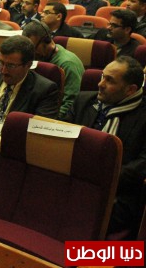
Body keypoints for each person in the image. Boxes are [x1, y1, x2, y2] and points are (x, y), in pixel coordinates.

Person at [65, 56, 146, 237]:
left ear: (130, 90)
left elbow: (142, 164)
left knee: (74, 221)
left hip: (117, 193)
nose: (100, 84)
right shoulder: (84, 101)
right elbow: (61, 140)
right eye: (102, 76)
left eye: (110, 81)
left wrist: (101, 177)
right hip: (72, 181)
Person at [0, 36, 59, 195]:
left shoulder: (45, 90)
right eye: (1, 62)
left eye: (11, 65)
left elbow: (38, 138)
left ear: (28, 65)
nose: (3, 70)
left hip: (7, 153)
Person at [22, 21, 85, 119]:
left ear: (46, 41)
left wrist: (47, 121)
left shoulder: (68, 64)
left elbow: (70, 104)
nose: (31, 53)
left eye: (33, 48)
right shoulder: (38, 58)